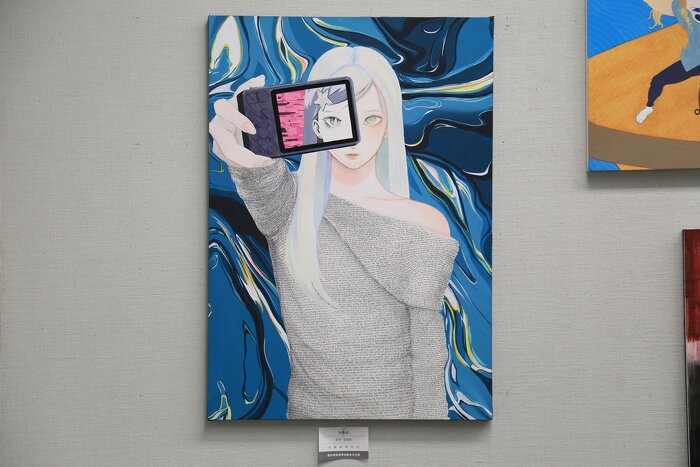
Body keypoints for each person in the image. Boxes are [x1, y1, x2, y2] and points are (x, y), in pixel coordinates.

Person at [209, 46, 459, 419]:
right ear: (313, 120)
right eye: (338, 119)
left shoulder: (424, 223)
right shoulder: (289, 206)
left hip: (400, 422)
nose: (356, 139)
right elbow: (262, 179)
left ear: (390, 124)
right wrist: (245, 155)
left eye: (372, 119)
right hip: (308, 421)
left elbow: (428, 356)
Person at [637, 0, 700, 123]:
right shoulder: (691, 21)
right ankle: (648, 107)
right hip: (691, 64)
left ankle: (649, 107)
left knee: (657, 80)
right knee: (658, 80)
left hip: (690, 64)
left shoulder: (691, 22)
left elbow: (677, 7)